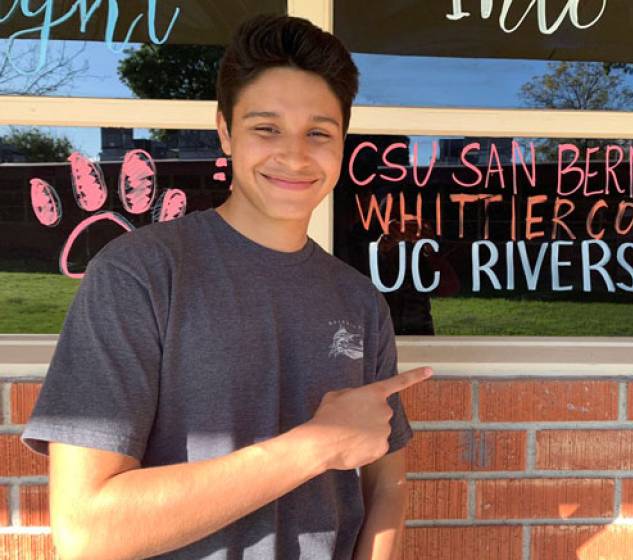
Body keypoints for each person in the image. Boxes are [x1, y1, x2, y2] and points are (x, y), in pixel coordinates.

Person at [21, 15, 431, 560]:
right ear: (224, 130)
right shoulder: (138, 275)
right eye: (266, 128)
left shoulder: (359, 301)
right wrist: (311, 447)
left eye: (318, 132)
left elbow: (386, 487)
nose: (294, 155)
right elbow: (87, 533)